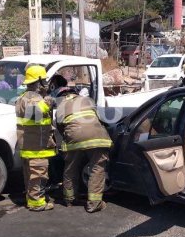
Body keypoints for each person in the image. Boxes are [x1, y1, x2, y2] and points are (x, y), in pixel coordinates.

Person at [54, 87, 112, 213]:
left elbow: (60, 128)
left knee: (70, 167)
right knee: (97, 167)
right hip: (97, 137)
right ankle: (94, 203)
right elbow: (99, 119)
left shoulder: (60, 107)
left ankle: (69, 199)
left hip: (74, 139)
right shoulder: (87, 100)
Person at [15, 65, 57, 212]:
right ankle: (37, 204)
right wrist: (48, 103)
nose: (46, 83)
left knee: (32, 176)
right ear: (39, 81)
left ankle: (32, 200)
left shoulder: (24, 97)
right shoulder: (32, 99)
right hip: (36, 147)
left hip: (30, 145)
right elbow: (35, 114)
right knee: (38, 176)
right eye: (44, 80)